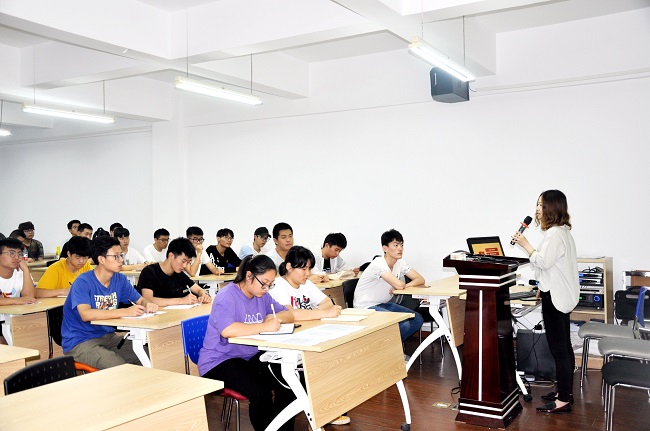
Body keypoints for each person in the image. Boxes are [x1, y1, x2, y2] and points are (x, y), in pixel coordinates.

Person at [198, 255, 296, 431]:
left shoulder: (262, 296)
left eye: (270, 284)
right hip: (218, 361)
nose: (266, 289)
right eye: (264, 283)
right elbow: (227, 330)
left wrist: (273, 318)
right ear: (249, 275)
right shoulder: (226, 296)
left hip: (248, 357)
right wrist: (264, 326)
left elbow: (288, 314)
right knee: (260, 391)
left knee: (288, 380)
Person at [512, 189, 579, 414]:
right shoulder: (562, 232)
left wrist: (525, 244)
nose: (537, 209)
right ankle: (565, 393)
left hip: (557, 298)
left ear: (552, 207)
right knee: (564, 347)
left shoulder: (555, 234)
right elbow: (555, 267)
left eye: (541, 205)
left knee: (559, 349)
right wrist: (542, 285)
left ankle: (563, 400)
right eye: (537, 205)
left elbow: (542, 261)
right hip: (558, 294)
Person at [268, 245, 350, 426]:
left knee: (334, 360)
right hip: (283, 346)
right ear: (289, 267)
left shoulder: (306, 284)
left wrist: (314, 313)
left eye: (309, 269)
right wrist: (320, 313)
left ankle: (328, 410)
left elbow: (327, 302)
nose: (307, 273)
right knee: (314, 370)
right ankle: (321, 412)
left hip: (306, 336)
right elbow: (290, 315)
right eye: (303, 268)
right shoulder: (278, 286)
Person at [61, 236, 158, 369]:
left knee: (150, 355)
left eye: (121, 256)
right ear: (101, 259)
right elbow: (86, 314)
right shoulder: (83, 282)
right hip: (80, 341)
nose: (121, 260)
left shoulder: (119, 279)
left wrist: (148, 304)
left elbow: (140, 300)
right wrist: (125, 312)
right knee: (119, 366)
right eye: (116, 256)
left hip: (108, 337)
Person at [353, 229, 425, 343]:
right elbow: (399, 285)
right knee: (403, 324)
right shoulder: (378, 263)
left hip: (383, 304)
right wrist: (400, 286)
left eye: (401, 245)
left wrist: (405, 285)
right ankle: (389, 350)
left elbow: (420, 279)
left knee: (417, 319)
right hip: (365, 307)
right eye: (395, 245)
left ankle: (394, 348)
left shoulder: (400, 262)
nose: (400, 248)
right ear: (385, 248)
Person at [138, 237, 211, 306]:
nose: (185, 265)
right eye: (183, 261)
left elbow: (199, 290)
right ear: (171, 256)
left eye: (188, 262)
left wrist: (204, 295)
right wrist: (182, 301)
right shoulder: (149, 272)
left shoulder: (179, 274)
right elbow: (147, 300)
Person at [0, 238, 38, 343]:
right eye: (11, 253)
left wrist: (26, 270)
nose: (16, 257)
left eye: (19, 254)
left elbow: (29, 297)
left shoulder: (20, 273)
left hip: (14, 319)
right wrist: (17, 300)